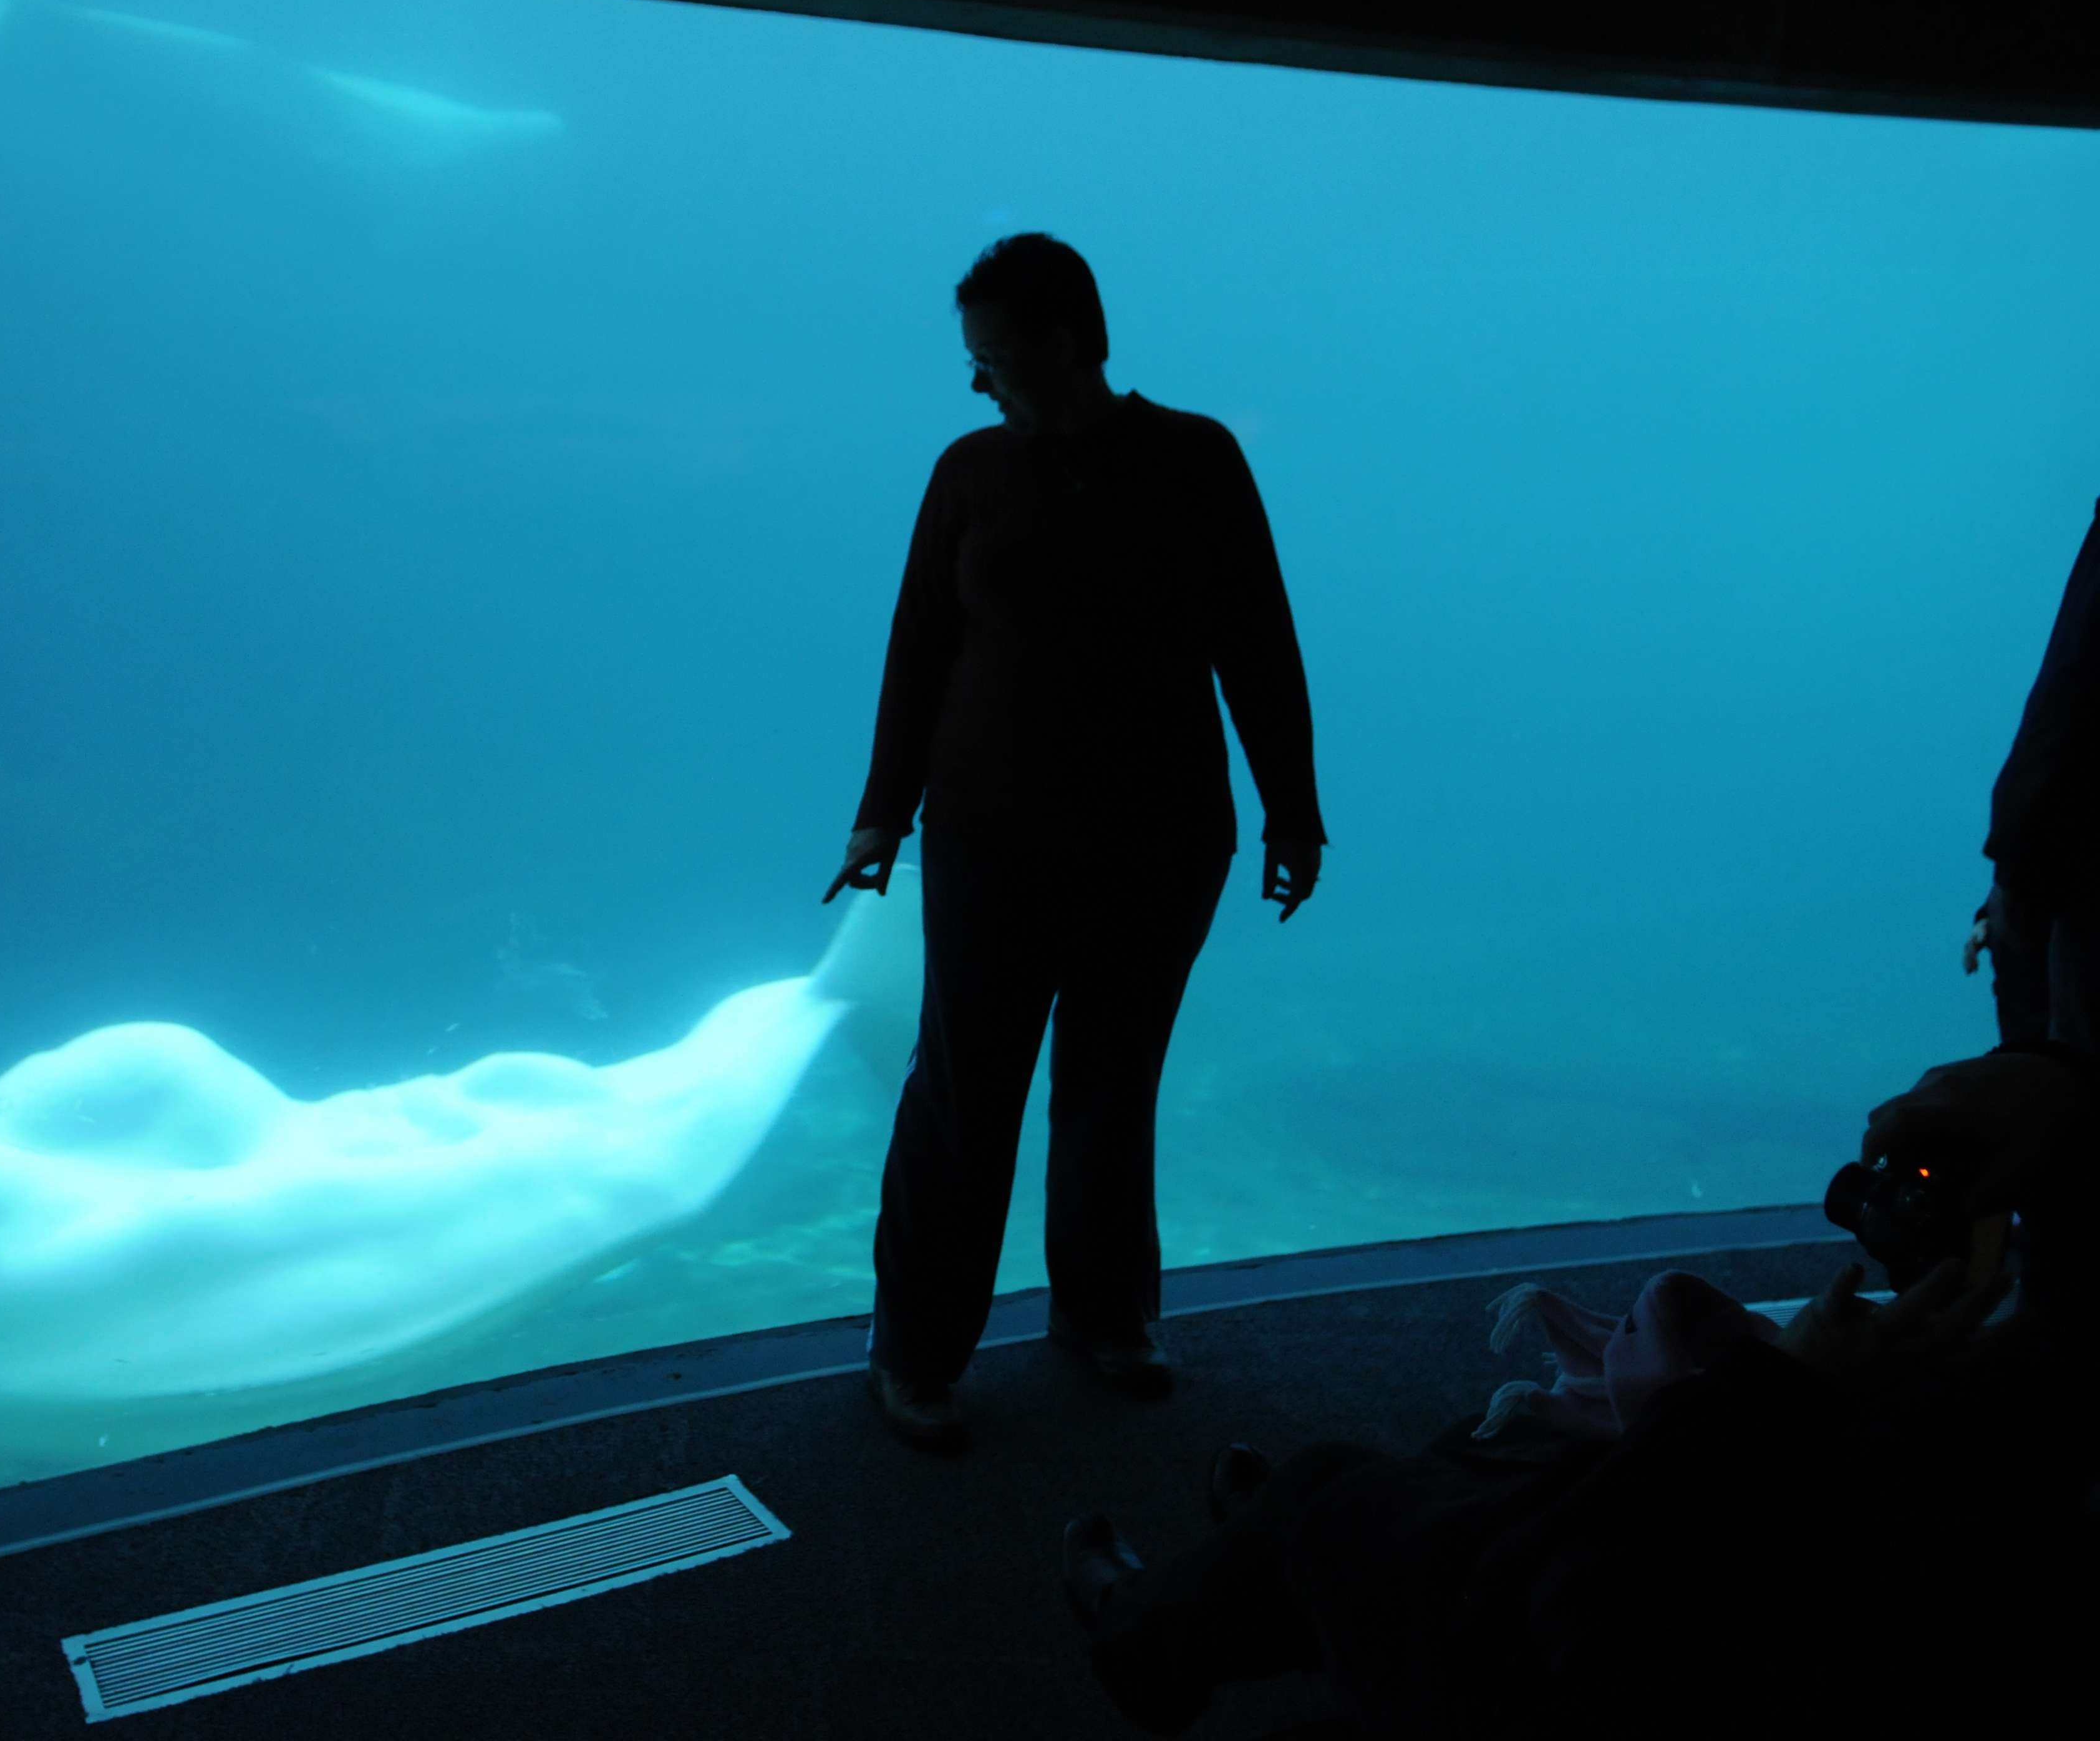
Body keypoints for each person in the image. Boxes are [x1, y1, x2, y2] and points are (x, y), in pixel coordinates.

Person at [1058, 1044, 2100, 1738]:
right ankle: (1270, 1571)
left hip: (1550, 1670)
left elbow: (1592, 1603)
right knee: (1450, 1476)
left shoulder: (1950, 1582)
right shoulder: (2038, 1456)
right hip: (1718, 1594)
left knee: (1335, 1495)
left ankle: (1150, 1633)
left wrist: (1788, 1392)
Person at [825, 235, 1325, 1451]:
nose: (976, 380)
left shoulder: (1197, 458)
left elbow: (1257, 639)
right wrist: (882, 809)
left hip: (1161, 842)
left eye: (990, 355)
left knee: (1111, 1082)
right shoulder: (968, 472)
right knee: (965, 1092)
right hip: (990, 842)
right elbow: (917, 645)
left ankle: (1104, 1315)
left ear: (1060, 343)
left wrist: (1291, 808)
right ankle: (915, 1352)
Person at [1967, 499, 2100, 1051]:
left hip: (2064, 876)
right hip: (2051, 867)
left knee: (2058, 1075)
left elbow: (2068, 703)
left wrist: (2017, 875)